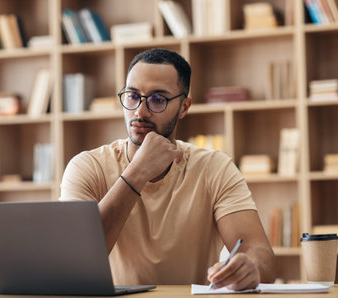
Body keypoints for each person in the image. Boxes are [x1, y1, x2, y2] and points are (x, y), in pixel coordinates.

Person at [59, 48, 275, 290]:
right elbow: (75, 258)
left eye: (157, 99)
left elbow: (259, 252)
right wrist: (138, 171)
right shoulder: (87, 167)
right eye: (132, 96)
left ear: (184, 107)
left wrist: (251, 267)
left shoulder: (215, 167)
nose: (139, 111)